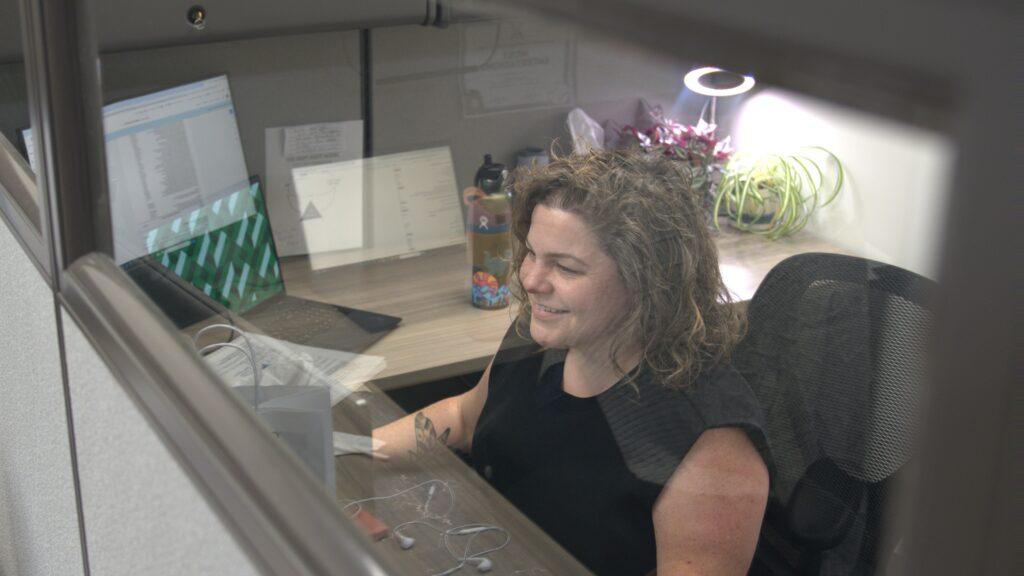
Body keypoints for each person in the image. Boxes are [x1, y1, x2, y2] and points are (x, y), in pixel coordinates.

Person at [374, 150, 770, 576]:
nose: (531, 280)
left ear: (646, 281)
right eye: (531, 253)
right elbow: (467, 418)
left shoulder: (710, 441)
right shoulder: (542, 338)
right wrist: (351, 450)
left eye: (564, 267)